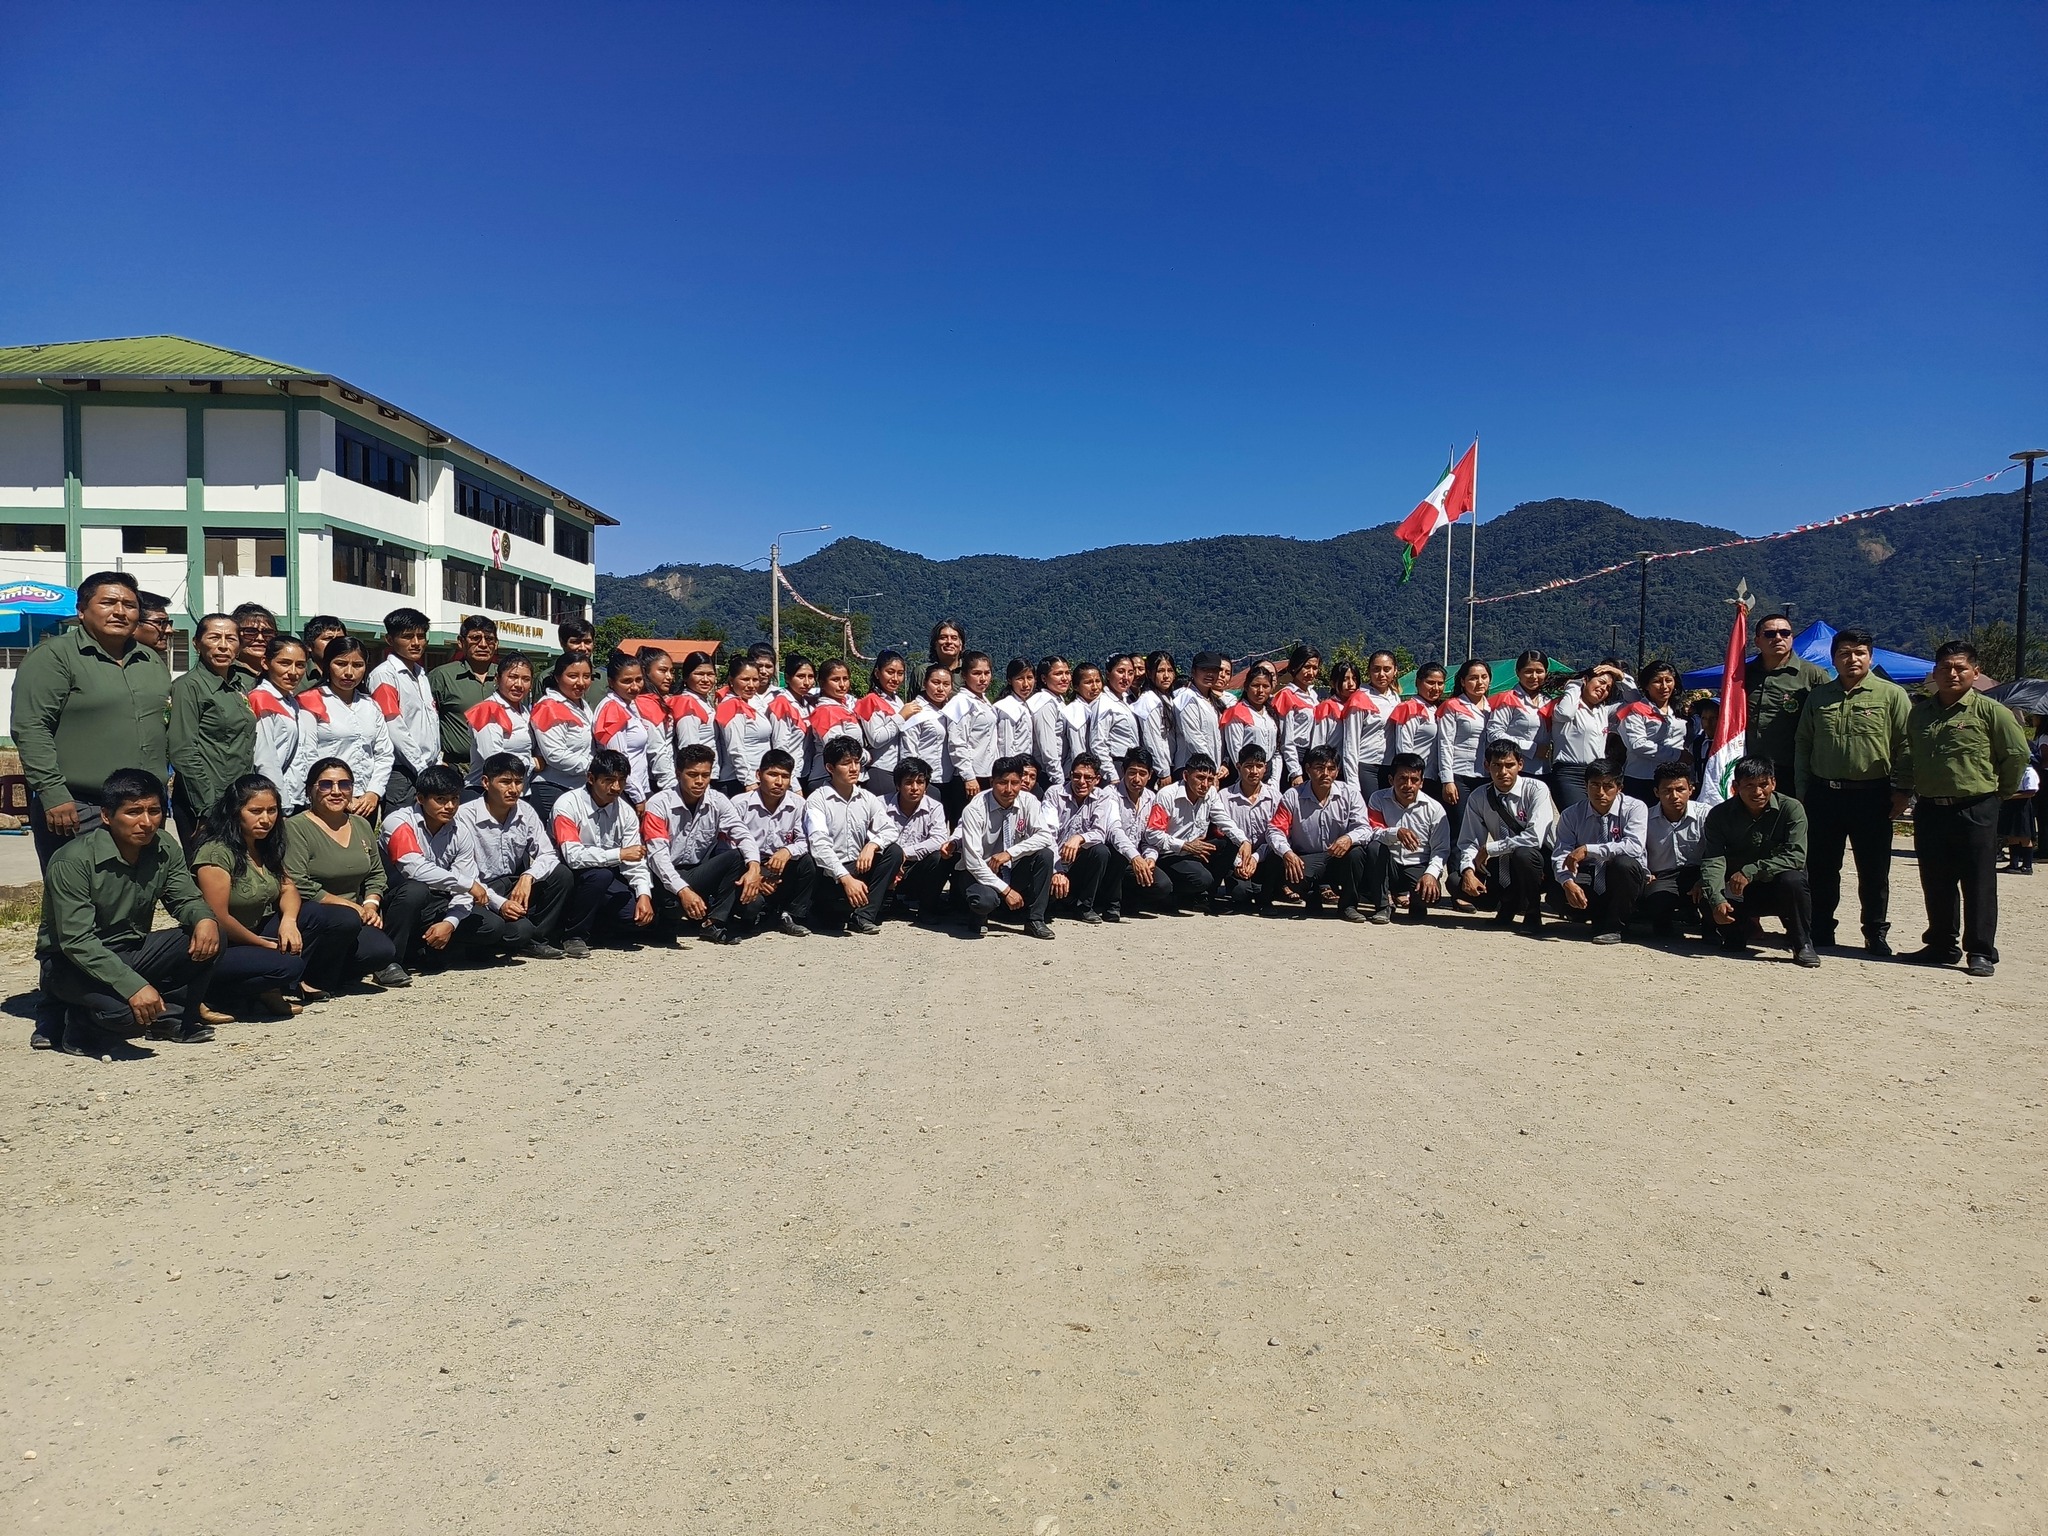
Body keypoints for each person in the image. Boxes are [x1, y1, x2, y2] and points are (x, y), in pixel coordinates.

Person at [34, 767, 219, 1057]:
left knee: (210, 935)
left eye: (154, 811)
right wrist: (133, 987)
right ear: (107, 816)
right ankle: (77, 1023)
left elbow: (185, 898)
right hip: (70, 963)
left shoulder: (164, 846)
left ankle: (168, 1017)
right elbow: (76, 941)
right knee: (129, 1017)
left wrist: (204, 918)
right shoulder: (73, 861)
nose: (146, 822)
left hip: (130, 949)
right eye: (133, 812)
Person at [11, 570, 172, 872]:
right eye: (108, 603)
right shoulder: (53, 657)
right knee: (78, 893)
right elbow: (31, 728)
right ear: (82, 611)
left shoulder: (150, 660)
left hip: (144, 809)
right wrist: (53, 793)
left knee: (138, 892)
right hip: (78, 807)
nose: (120, 612)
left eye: (129, 605)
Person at [1894, 640, 2029, 977]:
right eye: (1945, 668)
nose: (1952, 674)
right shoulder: (1920, 714)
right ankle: (1941, 944)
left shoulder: (1991, 712)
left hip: (1976, 807)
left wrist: (2001, 794)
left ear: (1975, 672)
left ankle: (1980, 951)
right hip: (1930, 808)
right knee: (1936, 880)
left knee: (1978, 881)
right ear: (1935, 672)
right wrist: (1904, 790)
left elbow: (2016, 755)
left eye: (1960, 668)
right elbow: (1910, 755)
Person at [191, 773, 357, 1018]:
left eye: (272, 810)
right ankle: (214, 995)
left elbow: (288, 887)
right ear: (235, 812)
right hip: (223, 945)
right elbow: (219, 918)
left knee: (313, 913)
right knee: (289, 966)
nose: (265, 819)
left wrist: (289, 921)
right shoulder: (216, 853)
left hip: (256, 931)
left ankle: (267, 990)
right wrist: (264, 944)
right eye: (255, 811)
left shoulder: (265, 845)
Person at [1792, 627, 1912, 955]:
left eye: (1859, 653)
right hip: (1824, 794)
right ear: (1834, 659)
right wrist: (1803, 789)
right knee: (1821, 868)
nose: (1852, 659)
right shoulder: (1820, 697)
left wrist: (1903, 790)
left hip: (1872, 795)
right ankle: (1820, 929)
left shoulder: (1891, 695)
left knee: (1874, 870)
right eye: (1844, 653)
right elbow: (1803, 743)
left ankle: (1875, 932)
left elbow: (1906, 745)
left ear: (1870, 657)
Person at [381, 763, 548, 969]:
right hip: (399, 900)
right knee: (415, 891)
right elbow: (414, 869)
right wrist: (467, 885)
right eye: (440, 799)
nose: (449, 806)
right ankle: (390, 963)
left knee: (494, 926)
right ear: (420, 798)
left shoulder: (459, 831)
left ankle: (430, 948)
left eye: (454, 799)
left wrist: (450, 922)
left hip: (439, 900)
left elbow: (465, 884)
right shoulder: (399, 822)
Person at [282, 757, 404, 989]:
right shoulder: (295, 828)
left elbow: (376, 873)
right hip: (314, 914)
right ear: (310, 791)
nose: (336, 791)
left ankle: (333, 972)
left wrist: (370, 905)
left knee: (381, 951)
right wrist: (351, 907)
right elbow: (298, 882)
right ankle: (307, 976)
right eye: (326, 785)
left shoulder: (361, 824)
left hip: (355, 917)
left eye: (344, 784)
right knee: (345, 920)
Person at [1697, 757, 1818, 965]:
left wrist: (1750, 871)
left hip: (1776, 887)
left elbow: (1796, 856)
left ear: (1773, 783)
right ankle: (1736, 932)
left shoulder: (1791, 809)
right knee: (1706, 893)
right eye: (1749, 786)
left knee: (1794, 881)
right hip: (1738, 890)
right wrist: (1717, 900)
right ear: (1735, 787)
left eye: (1763, 784)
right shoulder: (1719, 815)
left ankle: (1802, 944)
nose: (1758, 792)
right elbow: (1713, 860)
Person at [455, 753, 573, 958]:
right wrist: (499, 903)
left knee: (560, 874)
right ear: (485, 782)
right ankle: (490, 942)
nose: (513, 789)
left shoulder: (525, 811)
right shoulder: (464, 817)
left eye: (518, 782)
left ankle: (535, 940)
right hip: (476, 890)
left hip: (510, 883)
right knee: (508, 930)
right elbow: (464, 875)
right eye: (505, 782)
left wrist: (529, 876)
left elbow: (548, 853)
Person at [640, 742, 757, 945]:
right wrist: (684, 891)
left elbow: (743, 834)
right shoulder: (658, 805)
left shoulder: (718, 801)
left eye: (705, 775)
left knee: (739, 859)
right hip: (663, 875)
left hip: (698, 871)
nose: (700, 781)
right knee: (672, 901)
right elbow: (658, 860)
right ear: (678, 774)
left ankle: (714, 923)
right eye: (693, 775)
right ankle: (668, 918)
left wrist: (754, 867)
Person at [548, 748, 656, 952]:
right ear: (591, 778)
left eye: (621, 780)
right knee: (600, 876)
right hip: (566, 875)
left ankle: (596, 929)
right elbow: (572, 856)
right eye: (609, 780)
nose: (616, 787)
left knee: (632, 915)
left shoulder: (626, 812)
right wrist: (620, 854)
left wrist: (644, 894)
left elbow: (635, 859)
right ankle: (573, 935)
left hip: (603, 874)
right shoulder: (567, 805)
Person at [167, 613, 255, 844]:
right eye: (214, 637)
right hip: (205, 805)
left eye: (231, 639)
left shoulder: (238, 686)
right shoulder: (189, 687)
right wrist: (207, 807)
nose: (223, 646)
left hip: (239, 798)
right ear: (196, 643)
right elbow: (183, 750)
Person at [802, 737, 906, 934]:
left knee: (893, 851)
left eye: (857, 762)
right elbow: (819, 846)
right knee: (830, 913)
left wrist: (872, 845)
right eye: (846, 763)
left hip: (857, 866)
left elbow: (890, 829)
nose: (854, 768)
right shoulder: (817, 800)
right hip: (830, 874)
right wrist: (845, 878)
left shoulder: (866, 797)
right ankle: (825, 909)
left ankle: (863, 916)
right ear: (830, 768)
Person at [1454, 740, 1557, 934]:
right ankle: (1506, 905)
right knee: (1455, 882)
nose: (1503, 772)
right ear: (1487, 766)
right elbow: (1469, 841)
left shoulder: (1537, 789)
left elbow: (1535, 837)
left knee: (1523, 854)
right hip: (1503, 863)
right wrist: (1468, 871)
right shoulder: (1478, 797)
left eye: (1509, 765)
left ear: (1520, 765)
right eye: (1497, 765)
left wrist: (1491, 848)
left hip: (1540, 862)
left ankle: (1533, 912)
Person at [1262, 744, 1371, 921]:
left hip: (1338, 857)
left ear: (1337, 771)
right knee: (1281, 860)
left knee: (1357, 853)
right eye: (1319, 768)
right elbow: (1275, 829)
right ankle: (1311, 896)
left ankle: (1348, 906)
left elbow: (1365, 828)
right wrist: (1287, 853)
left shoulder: (1350, 794)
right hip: (1306, 858)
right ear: (1308, 769)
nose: (1325, 773)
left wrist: (1349, 838)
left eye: (1331, 768)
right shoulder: (1292, 795)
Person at [952, 754, 1055, 938]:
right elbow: (973, 862)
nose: (1009, 789)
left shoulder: (1029, 801)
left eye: (1014, 783)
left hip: (1011, 867)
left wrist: (1009, 853)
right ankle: (978, 916)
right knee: (985, 900)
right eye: (1002, 782)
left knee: (1045, 855)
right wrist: (1006, 891)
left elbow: (1045, 836)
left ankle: (1035, 919)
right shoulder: (975, 809)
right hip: (979, 872)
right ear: (992, 781)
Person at [1551, 762, 1649, 943]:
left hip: (1623, 876)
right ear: (1585, 786)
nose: (1600, 792)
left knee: (1624, 864)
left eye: (1608, 786)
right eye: (1594, 785)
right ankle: (1591, 915)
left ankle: (1615, 927)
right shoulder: (1571, 814)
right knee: (1556, 889)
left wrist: (1589, 849)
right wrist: (1567, 882)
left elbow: (1634, 846)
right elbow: (1561, 853)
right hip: (1590, 873)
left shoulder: (1635, 808)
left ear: (1619, 787)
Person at [298, 635, 393, 820]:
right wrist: (340, 795)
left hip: (365, 803)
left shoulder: (370, 705)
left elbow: (384, 753)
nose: (349, 672)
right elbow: (307, 754)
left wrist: (374, 792)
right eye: (340, 664)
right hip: (327, 799)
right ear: (327, 665)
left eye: (357, 665)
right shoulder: (311, 701)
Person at [1143, 751, 1245, 914]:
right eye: (1200, 778)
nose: (1205, 784)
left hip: (1195, 851)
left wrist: (1244, 841)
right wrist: (1185, 846)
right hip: (1170, 854)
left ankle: (1205, 897)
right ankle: (1177, 896)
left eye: (1210, 779)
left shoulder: (1211, 793)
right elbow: (1152, 834)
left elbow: (1223, 819)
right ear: (1186, 775)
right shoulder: (1167, 795)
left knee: (1230, 844)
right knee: (1202, 878)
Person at [733, 747, 816, 934]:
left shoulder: (798, 804)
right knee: (752, 906)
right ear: (758, 775)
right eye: (772, 774)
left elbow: (806, 840)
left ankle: (790, 915)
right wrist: (757, 875)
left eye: (785, 777)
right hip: (746, 867)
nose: (779, 782)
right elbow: (728, 848)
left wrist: (787, 851)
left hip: (779, 866)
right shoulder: (740, 804)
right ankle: (749, 915)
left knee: (807, 863)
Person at [1360, 752, 1449, 923]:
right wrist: (1396, 833)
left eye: (1414, 780)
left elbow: (1441, 849)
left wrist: (1431, 874)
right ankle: (1383, 906)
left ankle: (1417, 904)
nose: (1408, 785)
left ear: (1421, 782)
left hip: (1418, 864)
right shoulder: (1378, 799)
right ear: (1391, 779)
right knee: (1374, 847)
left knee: (1429, 896)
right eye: (1402, 778)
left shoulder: (1435, 809)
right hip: (1388, 864)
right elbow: (1371, 832)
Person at [1744, 614, 1829, 791]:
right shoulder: (1743, 675)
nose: (1778, 638)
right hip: (1749, 767)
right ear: (1757, 641)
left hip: (1794, 767)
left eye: (1785, 633)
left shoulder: (1813, 674)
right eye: (1770, 634)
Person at [369, 607, 441, 812]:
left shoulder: (421, 674)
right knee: (401, 827)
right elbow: (393, 726)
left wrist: (436, 762)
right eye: (407, 636)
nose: (416, 642)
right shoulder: (384, 675)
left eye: (421, 636)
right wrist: (421, 767)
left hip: (427, 768)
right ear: (389, 640)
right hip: (403, 773)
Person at [1043, 751, 1118, 922]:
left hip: (1078, 863)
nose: (1081, 782)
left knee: (1101, 851)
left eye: (1088, 777)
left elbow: (1100, 832)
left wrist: (1079, 838)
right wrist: (1057, 870)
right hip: (1053, 861)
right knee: (1043, 855)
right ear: (1070, 775)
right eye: (1077, 776)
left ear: (1097, 779)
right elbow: (1048, 835)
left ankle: (1084, 907)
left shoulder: (1102, 797)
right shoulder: (1054, 793)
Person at [592, 650, 673, 805]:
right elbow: (618, 762)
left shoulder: (628, 705)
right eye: (627, 681)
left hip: (636, 788)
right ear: (611, 682)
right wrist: (638, 797)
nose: (635, 687)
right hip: (623, 793)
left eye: (639, 680)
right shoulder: (612, 710)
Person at [1547, 661, 1628, 811]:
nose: (1603, 688)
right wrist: (1574, 685)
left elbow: (1634, 702)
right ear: (1586, 680)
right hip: (1569, 774)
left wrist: (1620, 676)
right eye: (1601, 682)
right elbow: (1565, 713)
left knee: (1596, 820)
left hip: (1598, 774)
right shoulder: (1567, 705)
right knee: (1577, 818)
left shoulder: (1603, 711)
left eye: (1608, 688)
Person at [249, 636, 317, 814]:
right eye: (284, 663)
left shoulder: (291, 701)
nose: (293, 672)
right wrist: (281, 805)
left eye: (300, 665)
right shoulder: (260, 699)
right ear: (265, 663)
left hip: (298, 797)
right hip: (278, 802)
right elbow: (265, 759)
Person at [1642, 761, 1708, 937]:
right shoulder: (1644, 818)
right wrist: (1645, 873)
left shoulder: (1706, 815)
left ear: (1691, 789)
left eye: (1680, 789)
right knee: (1657, 900)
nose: (1674, 796)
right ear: (1656, 792)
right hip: (1663, 876)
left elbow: (1716, 851)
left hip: (1698, 873)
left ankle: (1710, 928)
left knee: (1713, 890)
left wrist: (1705, 879)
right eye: (1667, 791)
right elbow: (1636, 850)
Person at [428, 615, 500, 777]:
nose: (483, 644)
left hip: (500, 768)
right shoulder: (442, 676)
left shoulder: (507, 676)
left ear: (496, 644)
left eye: (489, 639)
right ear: (461, 642)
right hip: (456, 769)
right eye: (475, 638)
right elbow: (425, 722)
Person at [884, 756, 955, 920]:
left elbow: (939, 839)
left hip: (915, 868)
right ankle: (883, 905)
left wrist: (904, 854)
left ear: (926, 786)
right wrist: (895, 858)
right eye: (909, 783)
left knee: (941, 856)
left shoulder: (935, 807)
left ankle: (927, 908)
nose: (915, 788)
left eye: (920, 782)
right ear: (898, 785)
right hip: (886, 866)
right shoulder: (881, 804)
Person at [529, 652, 598, 820]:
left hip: (579, 788)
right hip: (554, 788)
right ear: (557, 677)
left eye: (586, 676)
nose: (581, 682)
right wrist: (595, 767)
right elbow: (554, 754)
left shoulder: (582, 704)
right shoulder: (549, 706)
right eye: (572, 676)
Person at [1215, 744, 1282, 909]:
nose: (1254, 771)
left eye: (1259, 766)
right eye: (1248, 766)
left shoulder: (1275, 797)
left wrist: (1256, 858)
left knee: (1278, 854)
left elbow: (1279, 834)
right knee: (1241, 894)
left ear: (1265, 768)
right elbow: (1221, 834)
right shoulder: (1224, 796)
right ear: (1238, 767)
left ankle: (1266, 895)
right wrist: (1238, 862)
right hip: (1236, 860)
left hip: (1264, 857)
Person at [939, 651, 999, 823]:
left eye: (987, 673)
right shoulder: (960, 702)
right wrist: (968, 776)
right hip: (970, 777)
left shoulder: (983, 700)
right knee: (966, 824)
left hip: (986, 773)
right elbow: (957, 742)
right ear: (965, 675)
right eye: (977, 673)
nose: (983, 679)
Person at [1617, 661, 1688, 802]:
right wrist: (1677, 755)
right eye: (1657, 681)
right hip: (1642, 779)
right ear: (1646, 686)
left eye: (1668, 680)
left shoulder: (1679, 711)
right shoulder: (1634, 710)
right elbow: (1637, 745)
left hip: (1675, 779)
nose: (1664, 686)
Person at [465, 655, 537, 792]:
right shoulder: (487, 710)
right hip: (486, 793)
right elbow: (494, 758)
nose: (519, 684)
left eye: (526, 679)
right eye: (512, 677)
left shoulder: (524, 711)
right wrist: (533, 763)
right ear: (497, 679)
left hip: (519, 792)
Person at [1480, 651, 1553, 776]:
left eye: (1539, 671)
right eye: (1528, 671)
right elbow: (1494, 734)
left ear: (1546, 673)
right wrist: (1532, 749)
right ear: (1518, 672)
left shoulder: (1548, 701)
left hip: (1545, 770)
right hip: (1515, 772)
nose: (1534, 676)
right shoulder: (1508, 699)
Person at [1341, 650, 1404, 795]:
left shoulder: (1395, 698)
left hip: (1389, 766)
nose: (1381, 674)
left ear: (1395, 671)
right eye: (1376, 669)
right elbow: (1350, 743)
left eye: (1387, 669)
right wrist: (1352, 782)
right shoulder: (1360, 698)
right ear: (1369, 671)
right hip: (1366, 766)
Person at [1434, 659, 1492, 811]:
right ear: (1462, 682)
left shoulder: (1493, 708)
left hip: (1487, 777)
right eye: (1473, 678)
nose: (1480, 682)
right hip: (1459, 776)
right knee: (1460, 823)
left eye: (1484, 677)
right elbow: (1445, 743)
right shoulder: (1452, 706)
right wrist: (1447, 780)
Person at [713, 655, 774, 796]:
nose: (751, 685)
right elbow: (735, 748)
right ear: (731, 681)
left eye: (755, 680)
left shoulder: (747, 703)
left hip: (756, 777)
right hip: (739, 782)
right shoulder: (731, 706)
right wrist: (748, 781)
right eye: (745, 679)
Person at [804, 659, 864, 794]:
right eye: (835, 680)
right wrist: (865, 755)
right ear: (822, 683)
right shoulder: (824, 711)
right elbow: (836, 750)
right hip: (826, 779)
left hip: (845, 778)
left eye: (845, 679)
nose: (842, 685)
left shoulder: (846, 707)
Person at [856, 650, 909, 796]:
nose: (895, 678)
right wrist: (901, 717)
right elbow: (876, 739)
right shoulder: (869, 701)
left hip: (897, 768)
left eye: (900, 673)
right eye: (890, 672)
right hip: (880, 769)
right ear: (877, 673)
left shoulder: (897, 700)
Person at [1386, 664, 1444, 796]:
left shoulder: (1437, 708)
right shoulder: (1409, 707)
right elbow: (1404, 747)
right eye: (1430, 683)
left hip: (1434, 778)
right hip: (1415, 779)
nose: (1436, 688)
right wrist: (1410, 778)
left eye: (1440, 683)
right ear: (1418, 682)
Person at [1170, 651, 1230, 778]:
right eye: (1204, 669)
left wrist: (1224, 763)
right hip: (1191, 769)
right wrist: (1211, 769)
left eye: (1214, 670)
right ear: (1193, 671)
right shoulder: (1186, 699)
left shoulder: (1215, 701)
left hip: (1211, 770)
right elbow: (1194, 740)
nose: (1210, 674)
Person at [1078, 661, 1138, 779]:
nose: (1126, 677)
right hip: (1115, 765)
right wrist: (1111, 775)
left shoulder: (1124, 700)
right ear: (1108, 674)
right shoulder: (1104, 703)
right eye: (1120, 672)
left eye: (1130, 673)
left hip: (1128, 764)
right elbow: (1097, 743)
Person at [1273, 646, 1323, 785]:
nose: (1311, 672)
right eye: (1307, 667)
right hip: (1294, 757)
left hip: (1311, 756)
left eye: (1315, 668)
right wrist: (1295, 771)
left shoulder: (1313, 695)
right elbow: (1286, 739)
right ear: (1295, 667)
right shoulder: (1286, 695)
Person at [1220, 665, 1282, 777]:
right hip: (1247, 774)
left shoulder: (1271, 714)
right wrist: (1246, 777)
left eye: (1265, 686)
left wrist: (1274, 780)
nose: (1260, 691)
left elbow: (1276, 750)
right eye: (1255, 686)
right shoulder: (1237, 712)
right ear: (1246, 686)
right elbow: (1235, 750)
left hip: (1268, 773)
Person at [1132, 651, 1179, 783]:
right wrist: (1163, 772)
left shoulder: (1168, 697)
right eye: (1160, 671)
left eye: (1170, 670)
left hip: (1170, 763)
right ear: (1149, 673)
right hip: (1158, 769)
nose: (1166, 676)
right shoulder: (1148, 700)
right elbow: (1152, 739)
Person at [1030, 656, 1073, 791]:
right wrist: (1058, 781)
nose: (1065, 678)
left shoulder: (1057, 700)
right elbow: (1047, 746)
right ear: (1044, 678)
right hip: (1048, 776)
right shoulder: (1045, 703)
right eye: (1058, 674)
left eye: (1067, 673)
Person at [670, 650, 721, 762]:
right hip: (699, 769)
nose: (706, 680)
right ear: (685, 677)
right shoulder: (687, 705)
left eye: (710, 674)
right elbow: (688, 748)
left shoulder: (704, 701)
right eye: (699, 674)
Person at [993, 658, 1039, 765]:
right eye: (1020, 679)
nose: (1026, 684)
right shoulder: (1007, 708)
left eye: (1030, 678)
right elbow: (1005, 747)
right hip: (1013, 769)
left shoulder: (1025, 705)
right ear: (1009, 680)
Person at [236, 604, 284, 679]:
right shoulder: (225, 673)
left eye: (267, 632)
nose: (260, 638)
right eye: (250, 632)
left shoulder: (286, 673)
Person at [134, 593, 173, 659]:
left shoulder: (155, 660)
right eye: (159, 622)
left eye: (167, 623)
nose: (169, 630)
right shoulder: (121, 661)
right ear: (134, 624)